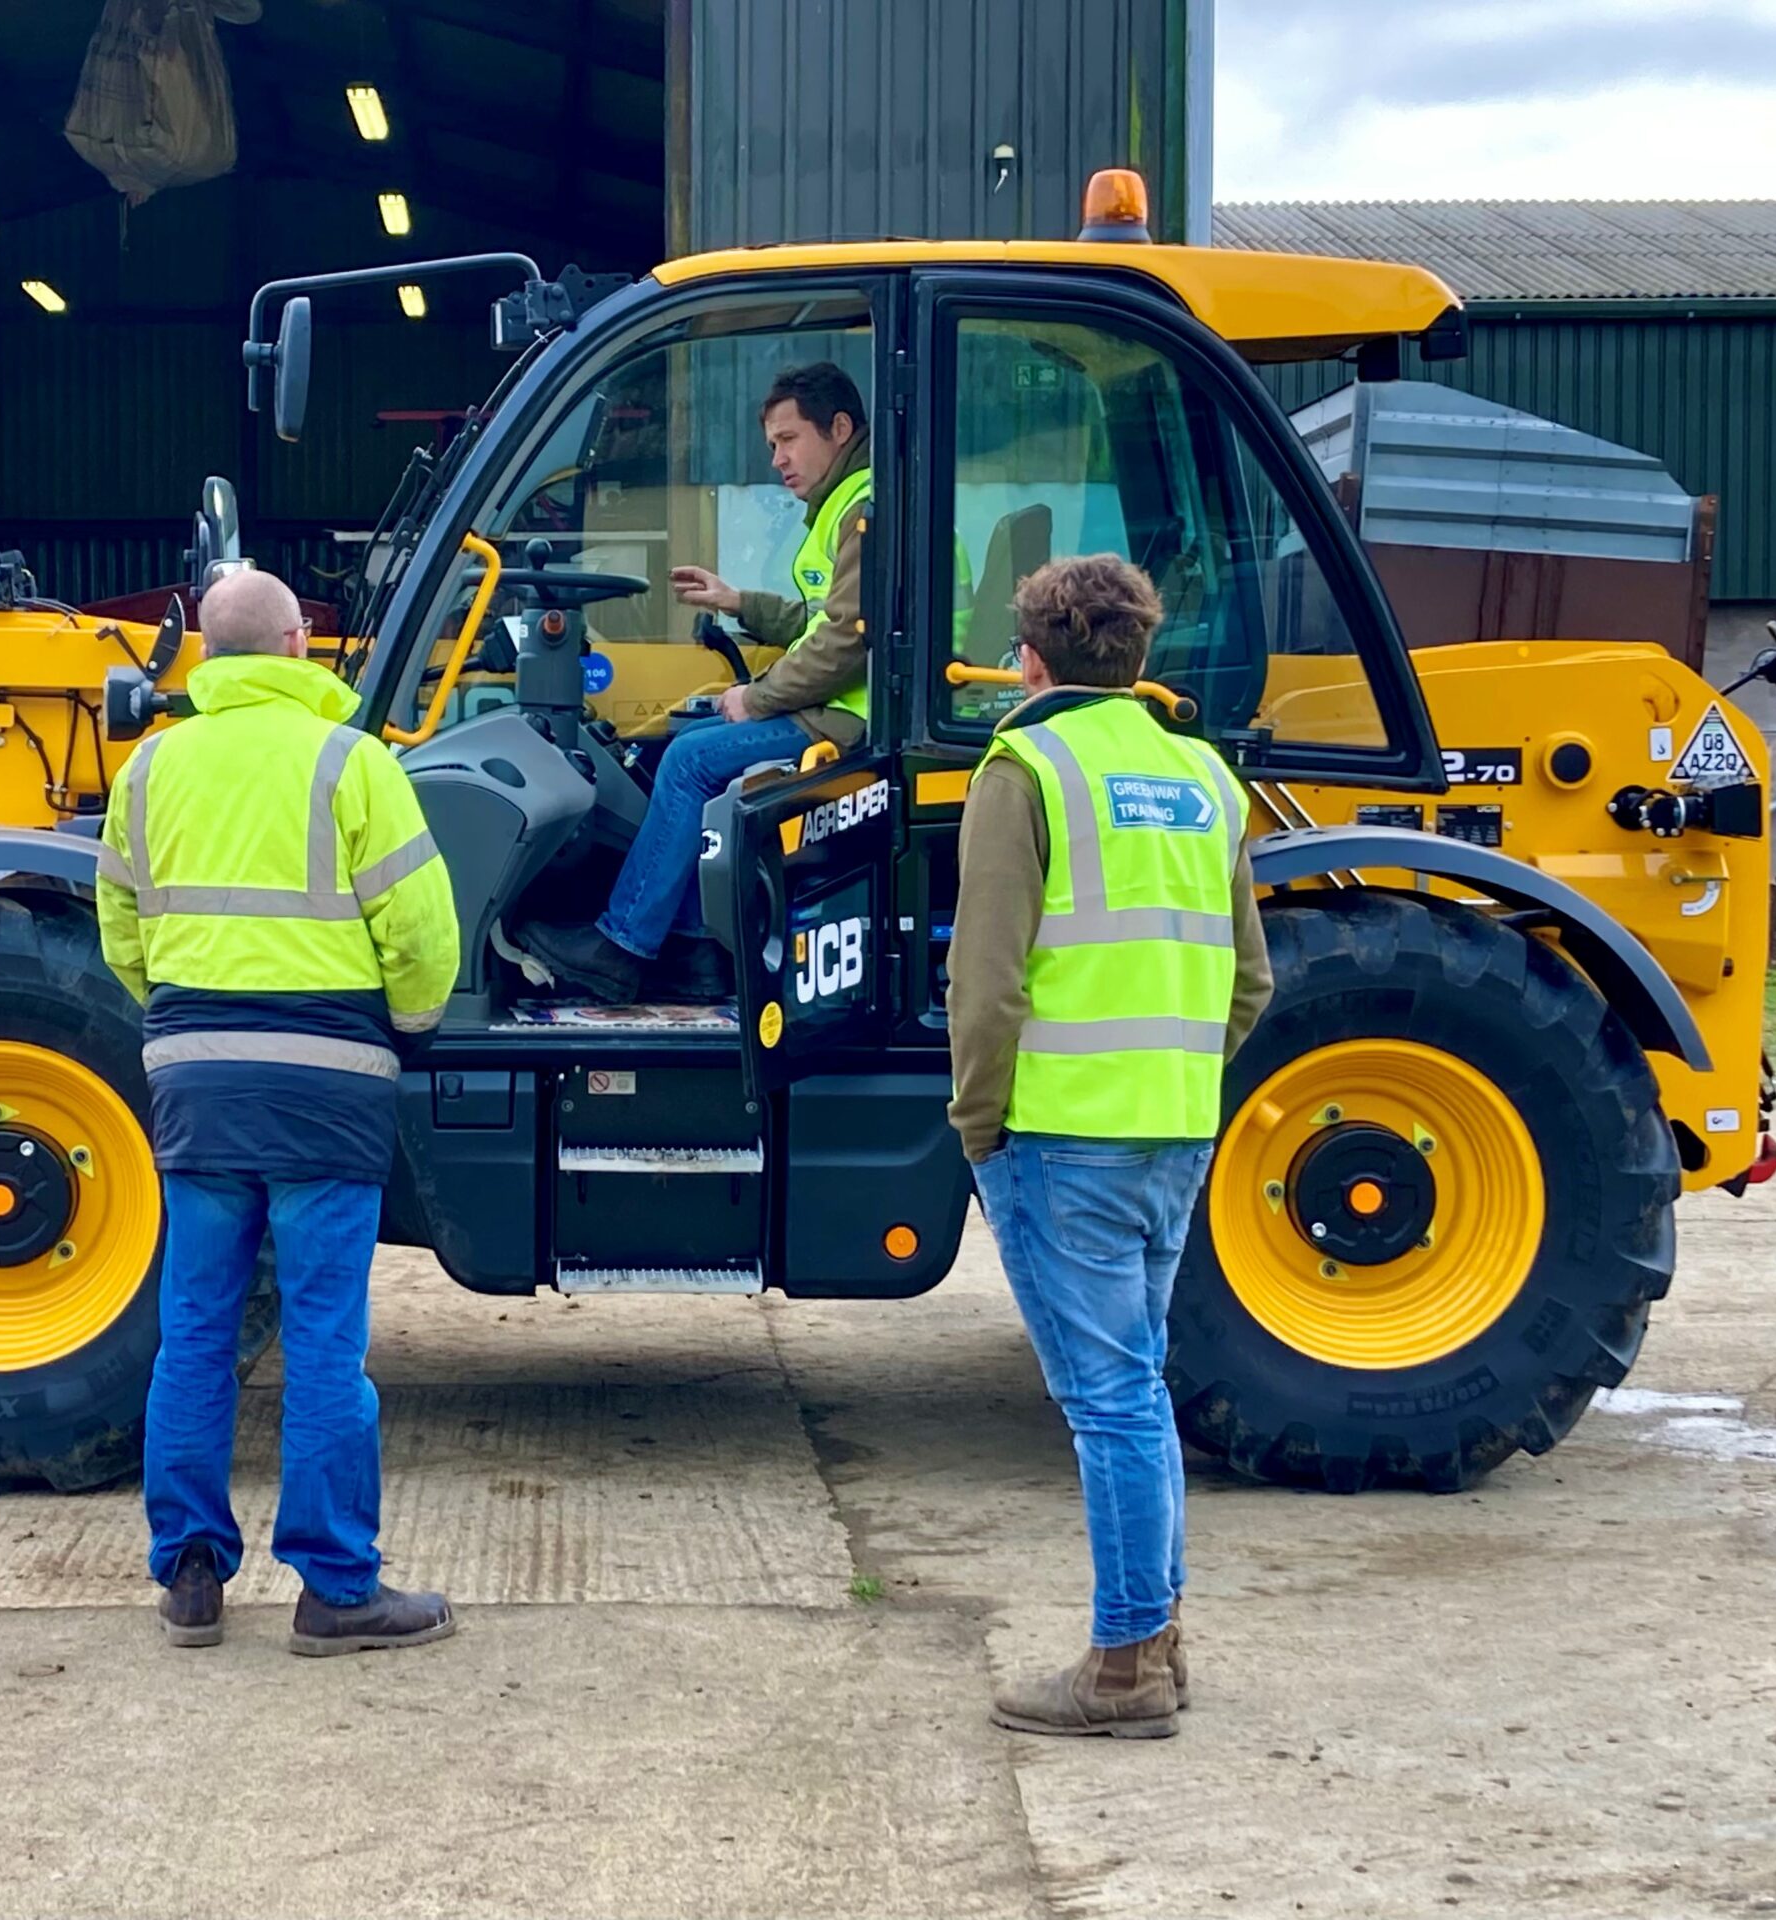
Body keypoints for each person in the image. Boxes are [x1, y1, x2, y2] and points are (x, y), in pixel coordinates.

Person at [97, 567, 462, 1657]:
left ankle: (192, 1578)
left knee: (197, 1334)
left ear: (208, 655)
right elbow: (422, 931)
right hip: (326, 1084)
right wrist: (412, 1021)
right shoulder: (355, 762)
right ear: (301, 643)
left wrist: (179, 1023)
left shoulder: (152, 765)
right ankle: (335, 1589)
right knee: (322, 1343)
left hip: (197, 1081)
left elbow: (119, 927)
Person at [947, 554, 1273, 1738]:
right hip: (1172, 1128)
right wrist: (1178, 1075)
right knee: (1135, 1386)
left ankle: (1127, 1664)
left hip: (1059, 1133)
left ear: (1028, 658)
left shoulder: (1022, 766)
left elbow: (983, 980)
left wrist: (976, 1119)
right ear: (1137, 655)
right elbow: (1250, 978)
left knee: (1110, 1402)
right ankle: (1160, 1636)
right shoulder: (1203, 775)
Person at [519, 361, 873, 1004]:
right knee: (673, 739)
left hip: (853, 720)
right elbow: (821, 618)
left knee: (688, 758)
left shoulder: (864, 508)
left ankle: (622, 946)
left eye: (788, 440)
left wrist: (758, 697)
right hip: (834, 706)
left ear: (839, 428)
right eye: (772, 445)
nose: (777, 460)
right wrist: (738, 602)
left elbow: (848, 640)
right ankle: (692, 951)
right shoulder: (848, 504)